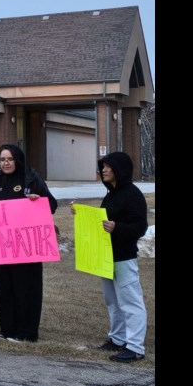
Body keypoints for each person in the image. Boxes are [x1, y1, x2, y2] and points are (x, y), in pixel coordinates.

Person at [78, 152, 149, 363]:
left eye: (108, 166)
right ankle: (117, 339)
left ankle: (135, 347)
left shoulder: (133, 194)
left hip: (124, 258)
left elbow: (140, 227)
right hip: (106, 257)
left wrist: (117, 228)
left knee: (131, 301)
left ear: (121, 169)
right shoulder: (111, 195)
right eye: (103, 166)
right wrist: (81, 215)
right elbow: (102, 222)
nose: (104, 170)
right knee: (113, 301)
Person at [0, 144, 57, 342]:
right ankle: (7, 329)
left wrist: (38, 199)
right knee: (3, 288)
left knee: (25, 289)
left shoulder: (31, 178)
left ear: (18, 159)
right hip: (1, 247)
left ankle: (26, 332)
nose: (6, 163)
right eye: (2, 160)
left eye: (9, 159)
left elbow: (51, 205)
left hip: (27, 248)